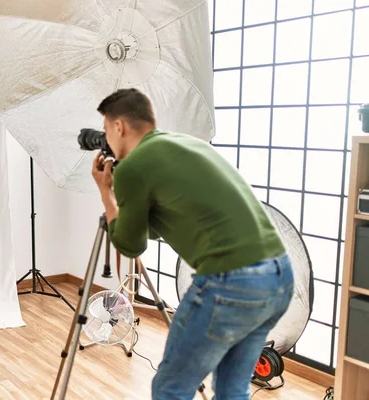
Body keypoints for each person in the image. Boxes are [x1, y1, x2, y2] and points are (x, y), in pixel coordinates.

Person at [90, 88, 294, 399]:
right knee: (231, 388)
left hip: (231, 283)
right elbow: (171, 222)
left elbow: (130, 246)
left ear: (118, 127)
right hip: (279, 277)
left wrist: (108, 195)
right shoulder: (186, 144)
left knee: (171, 388)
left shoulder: (134, 166)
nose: (107, 140)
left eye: (106, 130)